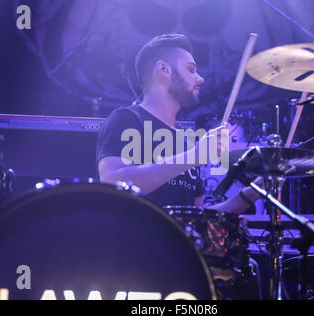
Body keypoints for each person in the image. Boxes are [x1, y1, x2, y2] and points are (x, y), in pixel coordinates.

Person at [96, 33, 261, 212]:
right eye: (190, 69)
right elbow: (112, 184)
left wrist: (252, 193)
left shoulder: (187, 144)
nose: (200, 78)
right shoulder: (126, 119)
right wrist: (193, 156)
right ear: (164, 69)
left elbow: (198, 218)